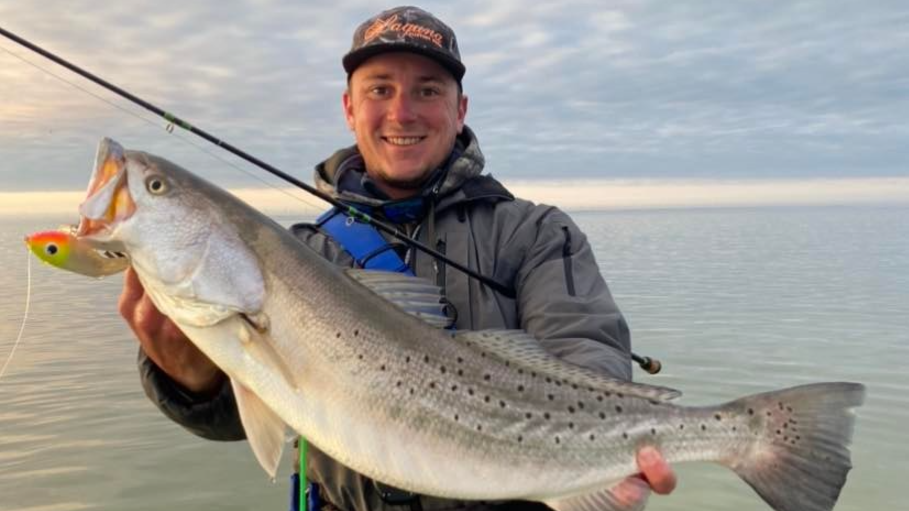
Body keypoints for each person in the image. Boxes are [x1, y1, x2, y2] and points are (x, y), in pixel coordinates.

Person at [120, 6, 676, 511]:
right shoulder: (307, 251)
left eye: (428, 91)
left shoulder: (534, 234)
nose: (402, 113)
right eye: (379, 89)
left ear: (460, 109)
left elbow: (586, 348)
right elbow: (241, 417)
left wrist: (596, 457)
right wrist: (190, 380)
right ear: (350, 108)